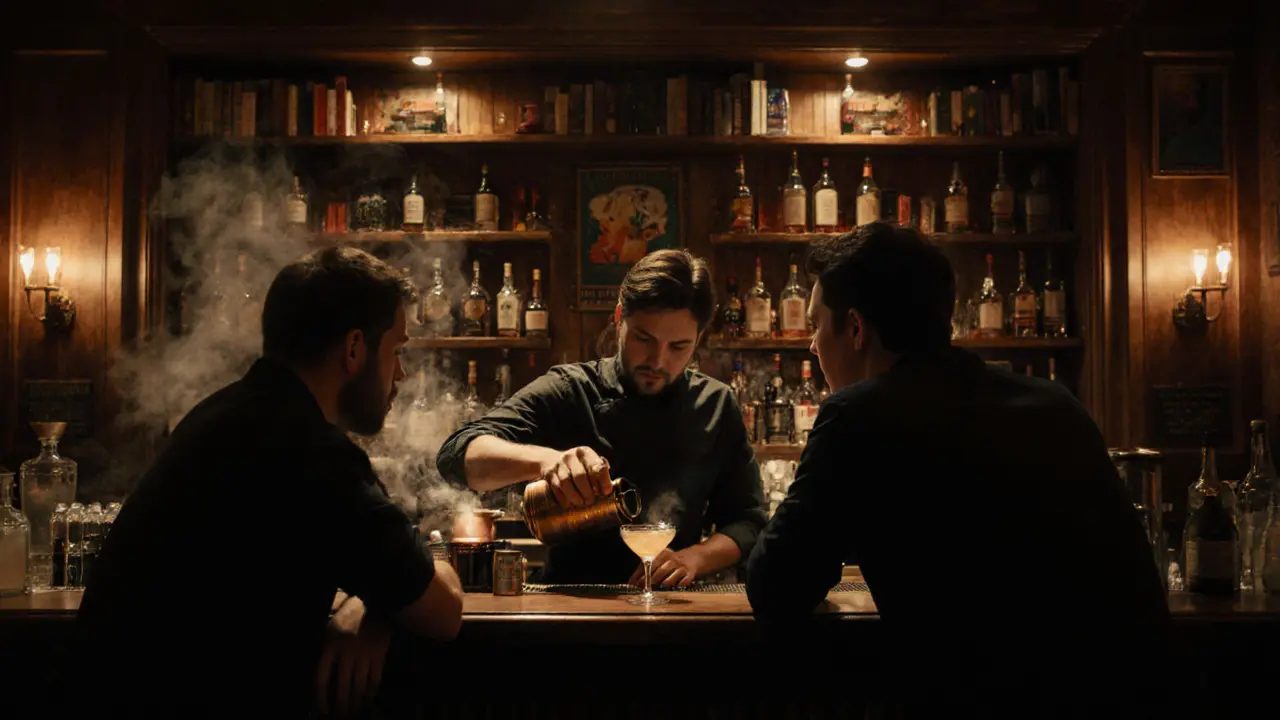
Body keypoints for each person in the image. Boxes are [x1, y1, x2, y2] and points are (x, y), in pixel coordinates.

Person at [745, 224, 1169, 712]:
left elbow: (776, 588)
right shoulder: (1054, 404)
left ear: (856, 328)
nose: (813, 347)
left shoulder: (856, 419)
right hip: (1127, 695)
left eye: (818, 326)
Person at [65, 246, 464, 717]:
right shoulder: (312, 452)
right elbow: (443, 612)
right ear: (354, 348)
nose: (400, 373)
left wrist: (371, 603)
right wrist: (427, 555)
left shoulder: (223, 413)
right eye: (396, 350)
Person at [436, 249, 767, 585]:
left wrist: (694, 558)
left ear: (698, 338)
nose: (657, 360)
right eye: (643, 338)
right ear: (619, 316)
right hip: (570, 607)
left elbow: (748, 520)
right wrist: (548, 460)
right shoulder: (569, 390)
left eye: (678, 346)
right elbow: (456, 456)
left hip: (673, 606)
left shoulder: (715, 404)